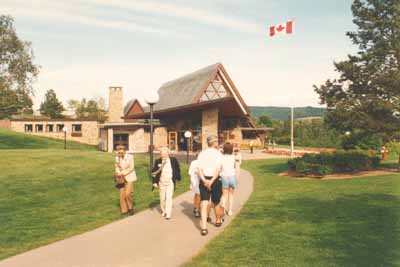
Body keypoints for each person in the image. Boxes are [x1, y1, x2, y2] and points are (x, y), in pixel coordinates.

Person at [197, 135, 223, 236]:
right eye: (217, 141)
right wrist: (211, 181)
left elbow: (199, 169)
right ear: (214, 142)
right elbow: (218, 170)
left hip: (204, 180)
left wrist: (204, 180)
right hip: (214, 180)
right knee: (216, 202)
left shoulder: (202, 154)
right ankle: (218, 220)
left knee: (204, 203)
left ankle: (204, 227)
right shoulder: (218, 154)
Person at [152, 147, 181, 220]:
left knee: (169, 197)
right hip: (161, 182)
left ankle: (168, 213)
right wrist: (154, 182)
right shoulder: (157, 161)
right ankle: (163, 210)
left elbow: (177, 169)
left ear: (168, 153)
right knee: (162, 198)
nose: (163, 156)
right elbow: (154, 172)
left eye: (165, 154)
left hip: (170, 181)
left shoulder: (173, 160)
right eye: (162, 154)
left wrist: (178, 178)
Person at [115, 145, 137, 216]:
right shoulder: (117, 158)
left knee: (127, 194)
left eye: (121, 151)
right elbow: (116, 167)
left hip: (129, 177)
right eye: (118, 151)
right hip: (121, 178)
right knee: (121, 195)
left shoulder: (130, 157)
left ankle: (130, 207)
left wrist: (122, 173)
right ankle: (124, 210)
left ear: (125, 151)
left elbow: (131, 168)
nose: (120, 152)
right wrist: (118, 172)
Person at [221, 143, 237, 216]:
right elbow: (235, 167)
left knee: (224, 195)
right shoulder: (233, 157)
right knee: (231, 195)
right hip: (232, 176)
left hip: (224, 176)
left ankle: (223, 209)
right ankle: (230, 210)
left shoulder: (221, 157)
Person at [189, 153, 201, 217]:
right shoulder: (194, 163)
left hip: (198, 181)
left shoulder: (202, 162)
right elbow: (191, 173)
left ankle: (196, 207)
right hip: (196, 181)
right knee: (198, 195)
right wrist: (191, 182)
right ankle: (197, 209)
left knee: (197, 195)